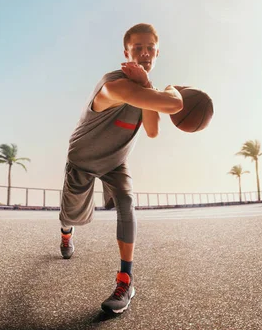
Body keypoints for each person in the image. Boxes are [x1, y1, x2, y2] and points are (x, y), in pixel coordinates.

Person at [58, 23, 183, 314]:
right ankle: (66, 231)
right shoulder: (113, 85)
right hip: (83, 158)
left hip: (116, 160)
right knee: (71, 215)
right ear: (125, 52)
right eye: (137, 47)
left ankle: (126, 280)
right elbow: (175, 105)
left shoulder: (145, 91)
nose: (144, 52)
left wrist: (150, 86)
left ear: (157, 51)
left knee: (127, 201)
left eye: (149, 47)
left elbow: (152, 131)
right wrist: (168, 92)